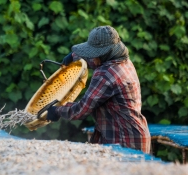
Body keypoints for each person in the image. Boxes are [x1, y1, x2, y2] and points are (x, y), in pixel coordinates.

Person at [46, 25, 151, 153]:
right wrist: (74, 57)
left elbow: (81, 110)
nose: (92, 57)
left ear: (104, 53)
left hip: (125, 141)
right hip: (134, 135)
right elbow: (95, 61)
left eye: (94, 53)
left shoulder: (105, 74)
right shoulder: (123, 61)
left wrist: (57, 110)